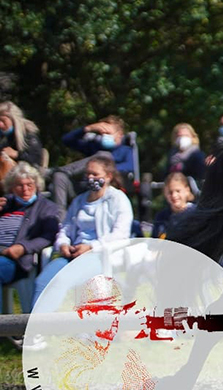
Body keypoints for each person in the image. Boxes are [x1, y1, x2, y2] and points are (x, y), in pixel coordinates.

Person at [32, 152, 133, 310]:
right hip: (73, 253)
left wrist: (91, 247)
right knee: (43, 281)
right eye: (87, 174)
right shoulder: (79, 200)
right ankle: (34, 330)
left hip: (100, 255)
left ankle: (43, 328)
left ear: (108, 176)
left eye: (95, 174)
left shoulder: (118, 199)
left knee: (62, 280)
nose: (90, 178)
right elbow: (66, 227)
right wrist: (63, 244)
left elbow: (121, 234)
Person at [50, 115, 134, 216]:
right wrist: (88, 128)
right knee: (59, 177)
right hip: (83, 187)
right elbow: (66, 140)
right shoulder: (95, 146)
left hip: (106, 187)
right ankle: (59, 221)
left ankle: (59, 170)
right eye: (102, 134)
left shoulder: (126, 150)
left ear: (119, 134)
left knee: (103, 156)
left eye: (108, 133)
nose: (104, 136)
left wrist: (103, 169)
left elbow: (130, 167)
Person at [0, 163, 60, 291]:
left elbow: (49, 236)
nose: (25, 189)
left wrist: (23, 247)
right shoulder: (5, 205)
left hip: (17, 261)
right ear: (12, 188)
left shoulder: (46, 207)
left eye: (29, 185)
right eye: (19, 185)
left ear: (36, 186)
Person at [0, 101, 45, 174]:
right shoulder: (6, 138)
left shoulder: (29, 136)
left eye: (3, 120)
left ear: (14, 120)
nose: (0, 124)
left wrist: (17, 154)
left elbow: (35, 161)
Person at [151, 172, 195, 239]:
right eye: (170, 192)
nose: (174, 195)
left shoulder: (196, 214)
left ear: (187, 190)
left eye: (178, 191)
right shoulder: (161, 217)